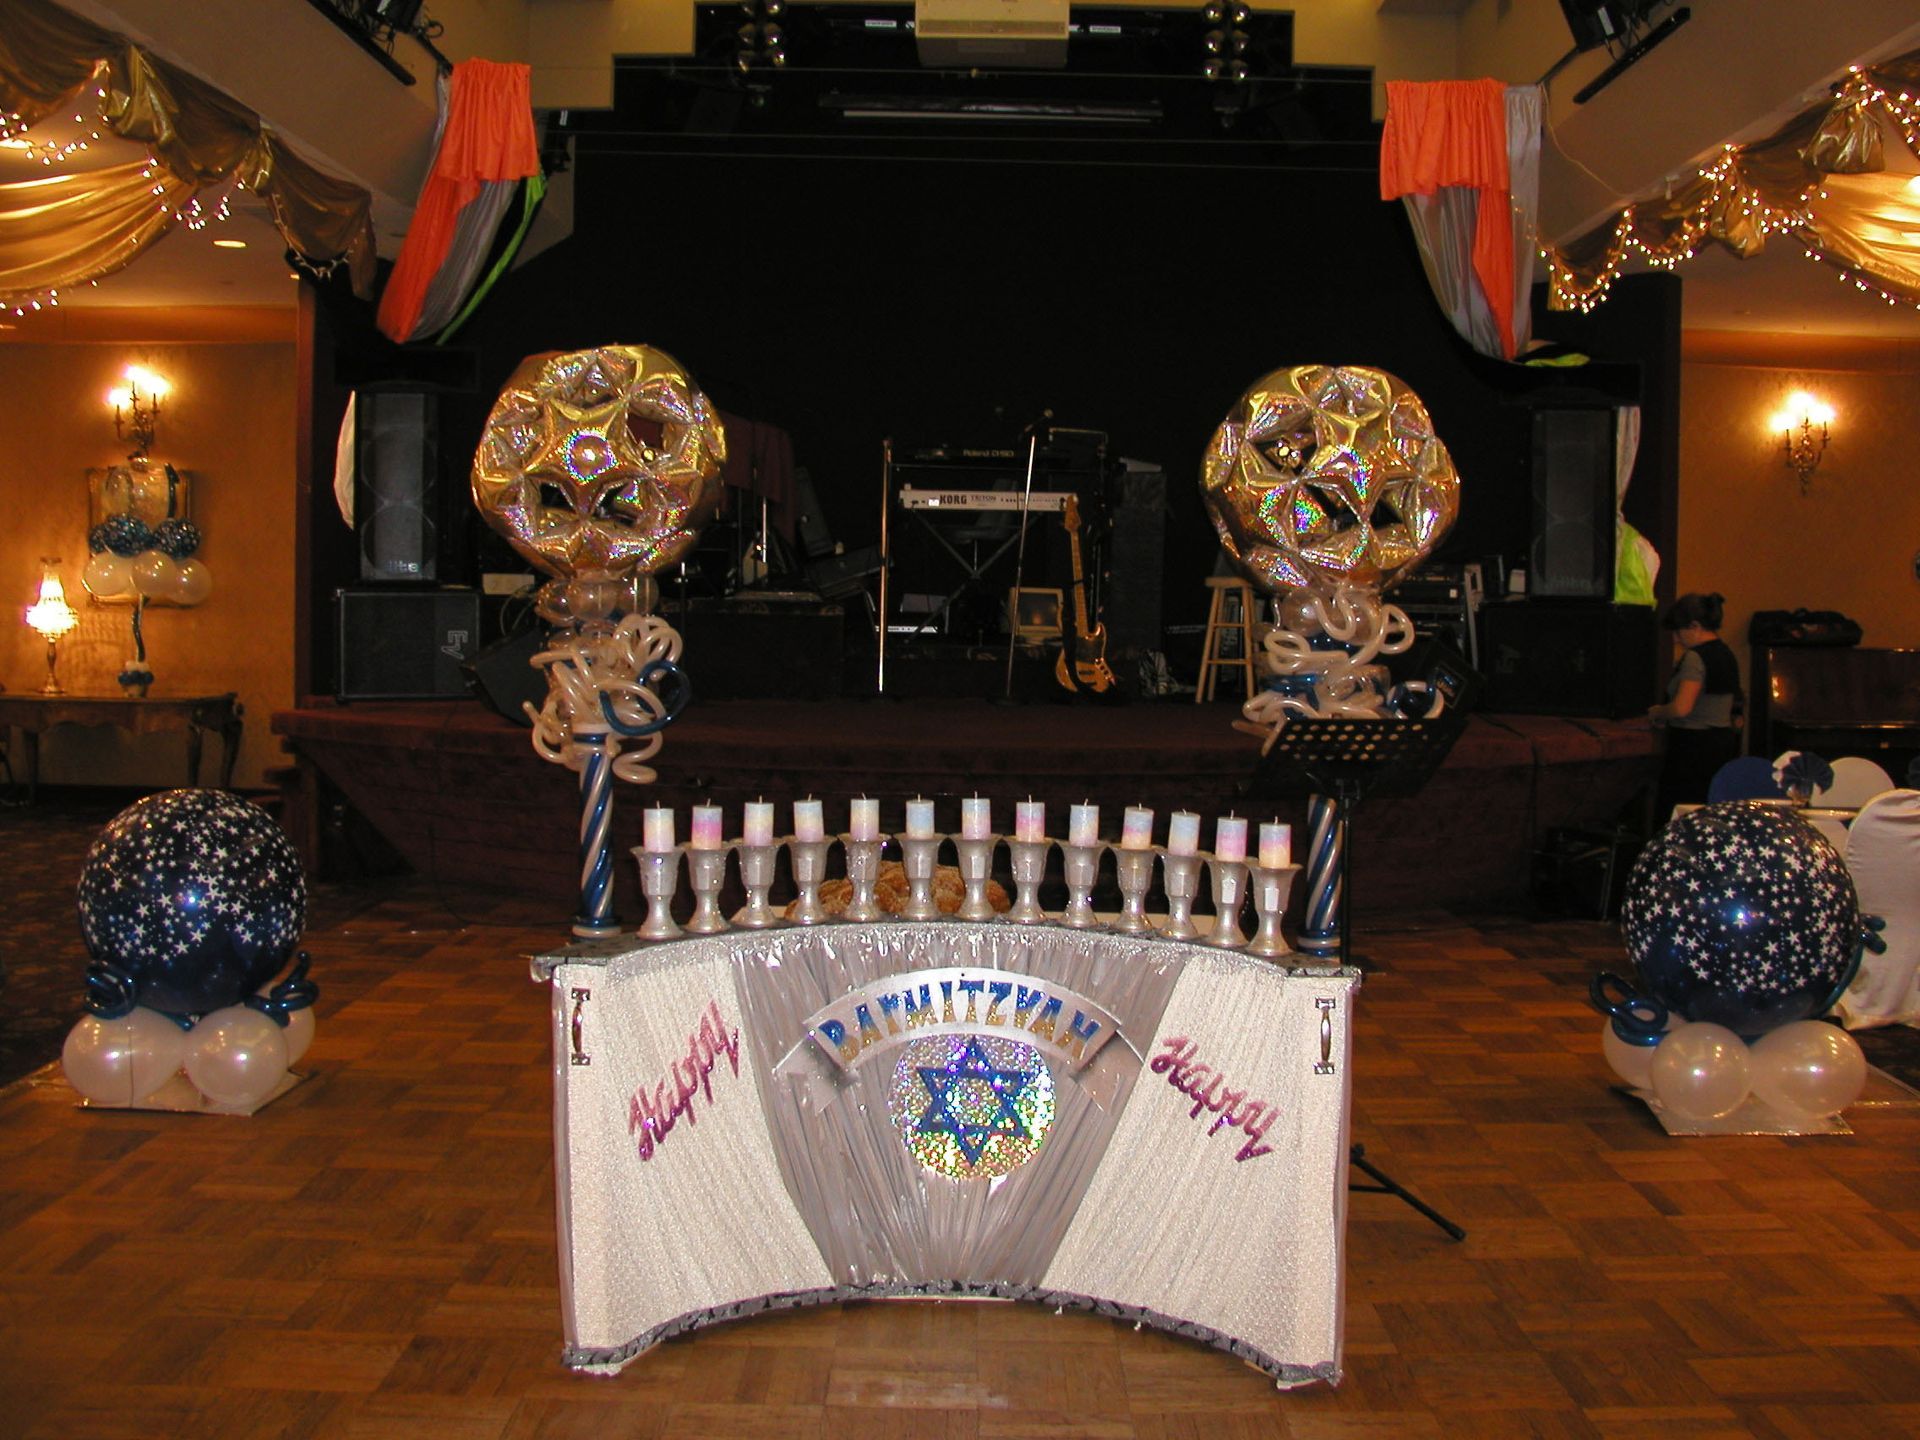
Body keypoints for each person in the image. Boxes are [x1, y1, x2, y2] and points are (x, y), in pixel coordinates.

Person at [1649, 592, 1743, 815]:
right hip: (1721, 744)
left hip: (1691, 749)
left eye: (1678, 631)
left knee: (1679, 813)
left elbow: (1682, 707)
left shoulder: (1695, 658)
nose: (1676, 639)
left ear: (1694, 626)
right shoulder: (1727, 654)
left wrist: (1658, 712)